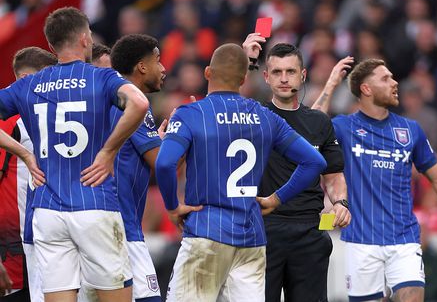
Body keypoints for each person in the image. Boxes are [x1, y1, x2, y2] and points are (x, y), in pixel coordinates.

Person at [155, 43, 327, 302]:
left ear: (207, 73)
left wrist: (172, 206)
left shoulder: (190, 114)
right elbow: (314, 162)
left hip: (207, 230)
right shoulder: (265, 116)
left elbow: (164, 163)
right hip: (252, 236)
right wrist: (276, 198)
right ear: (244, 78)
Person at [0, 6, 149, 302]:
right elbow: (140, 103)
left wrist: (25, 155)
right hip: (93, 202)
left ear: (51, 45)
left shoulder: (28, 84)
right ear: (84, 38)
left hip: (46, 209)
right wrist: (108, 152)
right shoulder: (100, 78)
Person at [315, 58, 437, 301]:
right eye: (385, 78)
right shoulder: (344, 127)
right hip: (361, 241)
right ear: (366, 88)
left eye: (393, 77)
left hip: (403, 238)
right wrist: (331, 84)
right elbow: (309, 130)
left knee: (413, 297)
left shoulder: (410, 130)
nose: (395, 82)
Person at [242, 34, 353, 302]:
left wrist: (340, 203)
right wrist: (246, 60)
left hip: (309, 231)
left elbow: (334, 176)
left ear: (302, 75)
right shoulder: (251, 115)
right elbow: (227, 94)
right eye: (277, 72)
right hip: (263, 229)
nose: (284, 78)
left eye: (290, 71)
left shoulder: (319, 122)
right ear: (266, 77)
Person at [108, 34, 165, 302]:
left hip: (95, 221)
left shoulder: (104, 99)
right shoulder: (136, 103)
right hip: (123, 229)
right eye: (158, 60)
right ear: (142, 66)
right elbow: (163, 163)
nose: (163, 68)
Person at [0, 47, 57, 302]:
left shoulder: (49, 117)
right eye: (48, 81)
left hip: (46, 245)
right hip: (12, 255)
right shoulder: (9, 124)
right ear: (25, 81)